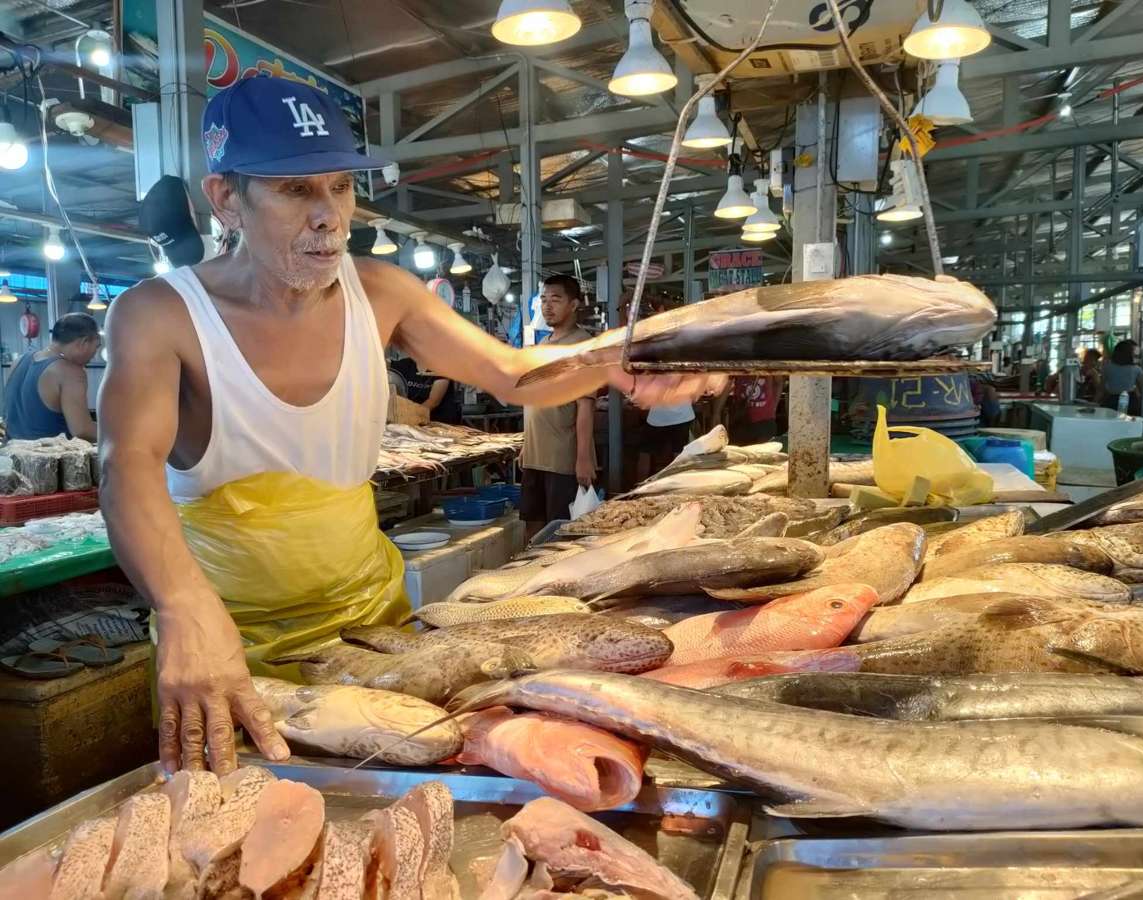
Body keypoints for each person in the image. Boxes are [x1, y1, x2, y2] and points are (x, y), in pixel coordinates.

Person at [97, 76, 720, 777]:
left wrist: (617, 364)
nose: (329, 217)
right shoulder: (161, 314)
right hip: (221, 637)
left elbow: (514, 372)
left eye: (340, 187)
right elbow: (127, 466)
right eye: (295, 191)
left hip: (368, 624)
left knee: (392, 802)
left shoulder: (382, 292)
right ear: (225, 200)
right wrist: (182, 608)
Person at [518, 274, 597, 542]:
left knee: (560, 531)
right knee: (532, 525)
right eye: (544, 299)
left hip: (562, 459)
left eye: (556, 299)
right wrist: (526, 445)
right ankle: (528, 575)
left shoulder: (582, 346)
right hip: (534, 456)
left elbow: (585, 406)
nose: (547, 306)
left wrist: (583, 458)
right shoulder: (544, 345)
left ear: (574, 305)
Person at [4, 313, 100, 441]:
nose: (94, 355)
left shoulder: (19, 361)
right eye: (96, 346)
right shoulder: (70, 372)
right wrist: (124, 433)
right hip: (48, 458)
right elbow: (82, 430)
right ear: (84, 342)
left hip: (9, 456)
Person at [390, 357, 460, 424]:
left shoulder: (441, 367)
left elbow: (433, 401)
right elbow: (386, 364)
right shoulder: (405, 364)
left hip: (437, 422)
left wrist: (410, 416)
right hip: (413, 421)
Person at [718, 376, 783, 444]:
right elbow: (728, 382)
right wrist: (716, 412)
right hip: (741, 421)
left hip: (764, 422)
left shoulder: (771, 366)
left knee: (764, 452)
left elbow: (778, 382)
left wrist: (773, 407)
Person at [1100, 339, 1143, 415]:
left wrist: (1094, 402)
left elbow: (1101, 389)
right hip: (1130, 400)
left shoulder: (1107, 367)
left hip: (1111, 400)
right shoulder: (1136, 369)